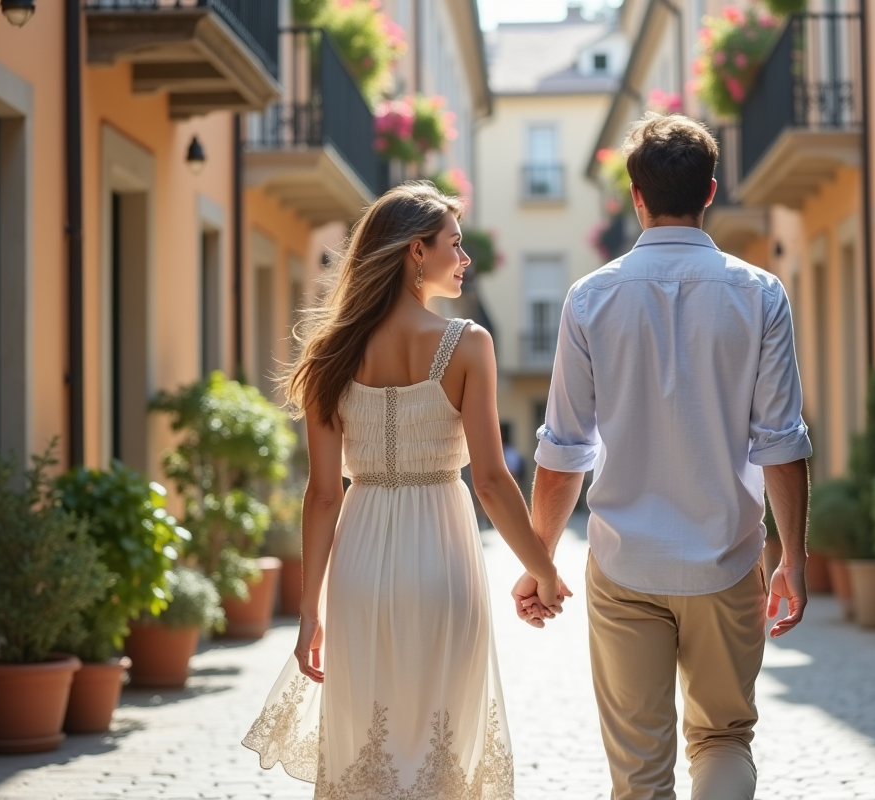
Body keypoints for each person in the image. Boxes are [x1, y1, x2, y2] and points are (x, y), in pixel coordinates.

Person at [513, 114, 812, 800]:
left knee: (640, 773)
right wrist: (791, 558)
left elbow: (563, 451)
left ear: (634, 194)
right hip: (728, 557)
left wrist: (540, 561)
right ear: (709, 191)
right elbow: (781, 442)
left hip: (624, 566)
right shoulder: (761, 292)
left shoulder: (589, 298)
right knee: (724, 739)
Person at [242, 182, 567, 799]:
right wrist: (543, 571)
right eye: (455, 244)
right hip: (443, 562)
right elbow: (493, 483)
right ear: (416, 251)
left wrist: (310, 609)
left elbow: (323, 495)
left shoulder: (328, 354)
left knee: (368, 749)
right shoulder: (468, 343)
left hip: (359, 569)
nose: (464, 258)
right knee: (442, 755)